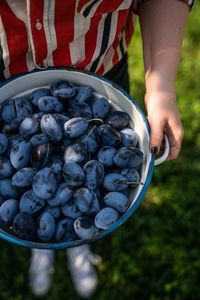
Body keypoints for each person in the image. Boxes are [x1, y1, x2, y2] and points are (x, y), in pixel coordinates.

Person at [0, 0, 195, 298]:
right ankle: (42, 244)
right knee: (41, 204)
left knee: (76, 202)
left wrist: (160, 87)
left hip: (101, 78)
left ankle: (77, 238)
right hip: (7, 73)